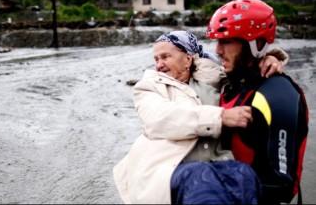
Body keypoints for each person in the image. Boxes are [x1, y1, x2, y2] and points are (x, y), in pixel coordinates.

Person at [113, 30, 287, 204]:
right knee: (201, 179)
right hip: (168, 167)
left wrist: (269, 59)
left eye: (165, 57)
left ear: (188, 59)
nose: (159, 65)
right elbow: (160, 118)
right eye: (156, 59)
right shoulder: (148, 87)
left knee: (244, 175)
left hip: (215, 161)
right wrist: (220, 117)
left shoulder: (214, 79)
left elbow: (242, 68)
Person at [206, 0, 309, 204]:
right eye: (217, 41)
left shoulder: (278, 94)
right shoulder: (230, 83)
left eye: (226, 41)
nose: (217, 51)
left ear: (255, 44)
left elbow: (281, 184)